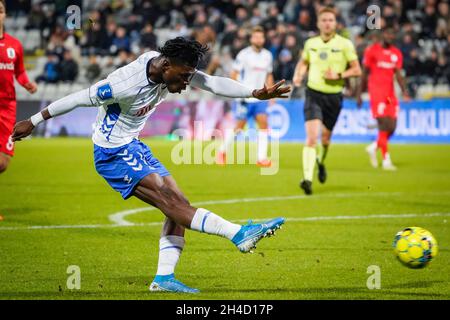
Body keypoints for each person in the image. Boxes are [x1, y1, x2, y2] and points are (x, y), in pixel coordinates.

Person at [13, 37, 290, 293]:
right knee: (172, 203)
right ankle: (238, 234)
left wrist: (254, 93)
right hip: (112, 152)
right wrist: (34, 121)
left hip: (133, 145)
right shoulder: (123, 84)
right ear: (166, 65)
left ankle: (164, 278)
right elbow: (76, 98)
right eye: (183, 78)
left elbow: (212, 83)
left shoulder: (169, 66)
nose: (184, 85)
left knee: (179, 203)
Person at [292, 7, 361, 195]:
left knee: (325, 138)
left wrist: (339, 74)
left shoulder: (345, 44)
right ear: (318, 23)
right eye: (324, 20)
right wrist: (298, 75)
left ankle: (320, 162)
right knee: (312, 137)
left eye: (331, 20)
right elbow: (304, 62)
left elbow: (357, 70)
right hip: (313, 93)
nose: (327, 23)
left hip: (334, 96)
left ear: (335, 23)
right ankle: (307, 179)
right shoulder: (310, 43)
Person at [216, 26, 275, 167]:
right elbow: (234, 74)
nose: (258, 39)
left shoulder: (268, 55)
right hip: (245, 96)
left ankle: (261, 158)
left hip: (261, 97)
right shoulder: (243, 54)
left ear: (264, 39)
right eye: (256, 37)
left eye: (261, 37)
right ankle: (222, 152)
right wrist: (237, 91)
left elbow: (269, 75)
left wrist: (272, 94)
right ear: (251, 39)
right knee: (239, 126)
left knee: (264, 124)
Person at [357, 27, 410, 170]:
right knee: (383, 124)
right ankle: (386, 160)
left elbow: (398, 74)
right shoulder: (372, 51)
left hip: (390, 94)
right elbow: (364, 74)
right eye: (387, 33)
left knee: (392, 127)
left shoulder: (396, 53)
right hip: (377, 93)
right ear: (382, 35)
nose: (389, 36)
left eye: (392, 34)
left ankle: (374, 146)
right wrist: (359, 94)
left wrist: (405, 91)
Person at [0, 0, 37, 174]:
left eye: (0, 11)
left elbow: (19, 72)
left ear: (5, 15)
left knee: (3, 163)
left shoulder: (14, 45)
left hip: (7, 107)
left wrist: (27, 84)